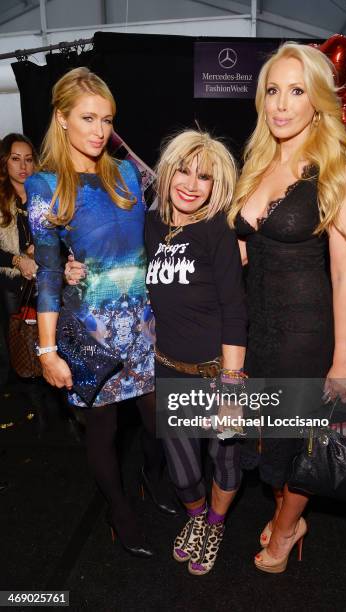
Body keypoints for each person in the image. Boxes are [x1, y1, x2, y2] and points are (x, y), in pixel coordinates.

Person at [26, 67, 173, 559]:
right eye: (87, 118)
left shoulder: (127, 172)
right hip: (91, 328)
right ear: (61, 118)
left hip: (145, 324)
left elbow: (154, 239)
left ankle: (153, 479)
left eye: (107, 120)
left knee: (156, 423)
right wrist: (47, 352)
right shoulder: (45, 187)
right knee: (104, 430)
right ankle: (118, 508)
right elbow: (48, 274)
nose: (99, 130)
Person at [229, 42, 346, 573]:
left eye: (296, 90)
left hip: (306, 334)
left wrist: (344, 358)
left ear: (318, 101)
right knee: (271, 438)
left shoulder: (333, 170)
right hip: (256, 329)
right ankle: (288, 511)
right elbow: (238, 252)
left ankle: (286, 530)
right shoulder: (257, 162)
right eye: (273, 91)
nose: (281, 104)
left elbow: (345, 273)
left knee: (302, 441)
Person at [145, 130, 247, 575]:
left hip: (217, 372)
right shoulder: (150, 226)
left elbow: (235, 310)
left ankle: (217, 523)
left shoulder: (216, 232)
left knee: (224, 458)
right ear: (166, 173)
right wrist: (74, 267)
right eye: (183, 171)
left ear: (216, 184)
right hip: (168, 368)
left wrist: (231, 389)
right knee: (183, 470)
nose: (191, 183)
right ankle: (196, 517)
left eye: (204, 177)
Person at [0, 133, 38, 381]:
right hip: (14, 286)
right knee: (22, 347)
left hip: (48, 281)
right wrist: (18, 260)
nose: (23, 166)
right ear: (5, 162)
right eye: (16, 159)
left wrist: (44, 248)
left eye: (28, 159)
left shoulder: (45, 194)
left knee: (54, 345)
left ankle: (64, 409)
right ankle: (38, 413)